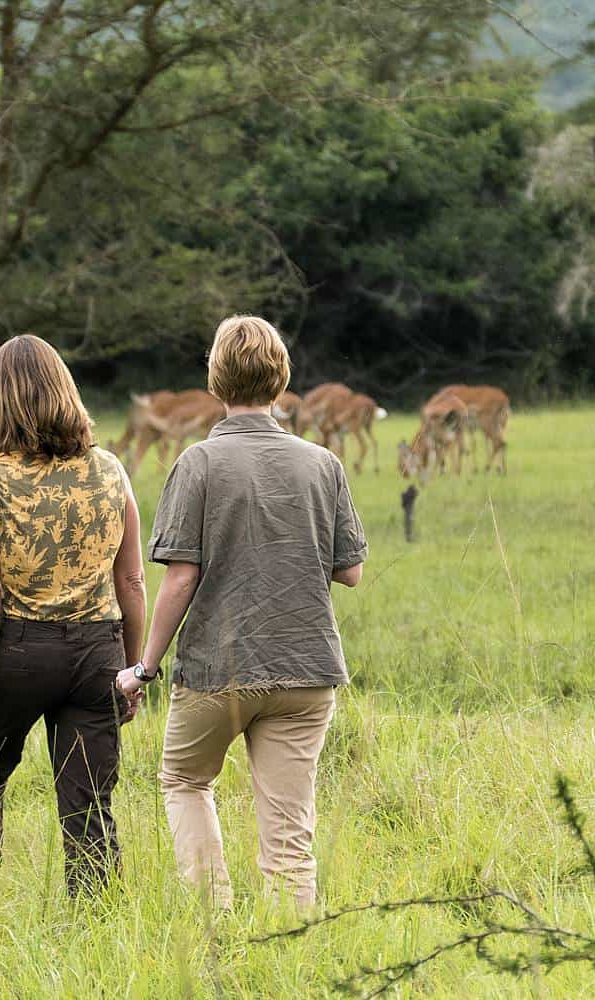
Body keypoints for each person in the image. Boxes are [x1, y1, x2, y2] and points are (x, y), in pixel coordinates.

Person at [117, 315, 367, 910]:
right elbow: (350, 570)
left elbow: (181, 576)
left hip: (216, 669)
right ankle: (291, 951)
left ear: (215, 380)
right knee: (289, 833)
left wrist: (143, 669)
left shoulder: (198, 464)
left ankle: (214, 918)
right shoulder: (323, 464)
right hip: (306, 669)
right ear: (282, 380)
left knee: (183, 779)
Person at [0, 334, 147, 895]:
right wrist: (132, 672)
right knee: (88, 806)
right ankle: (95, 926)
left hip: (19, 652)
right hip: (98, 653)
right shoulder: (112, 472)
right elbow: (130, 581)